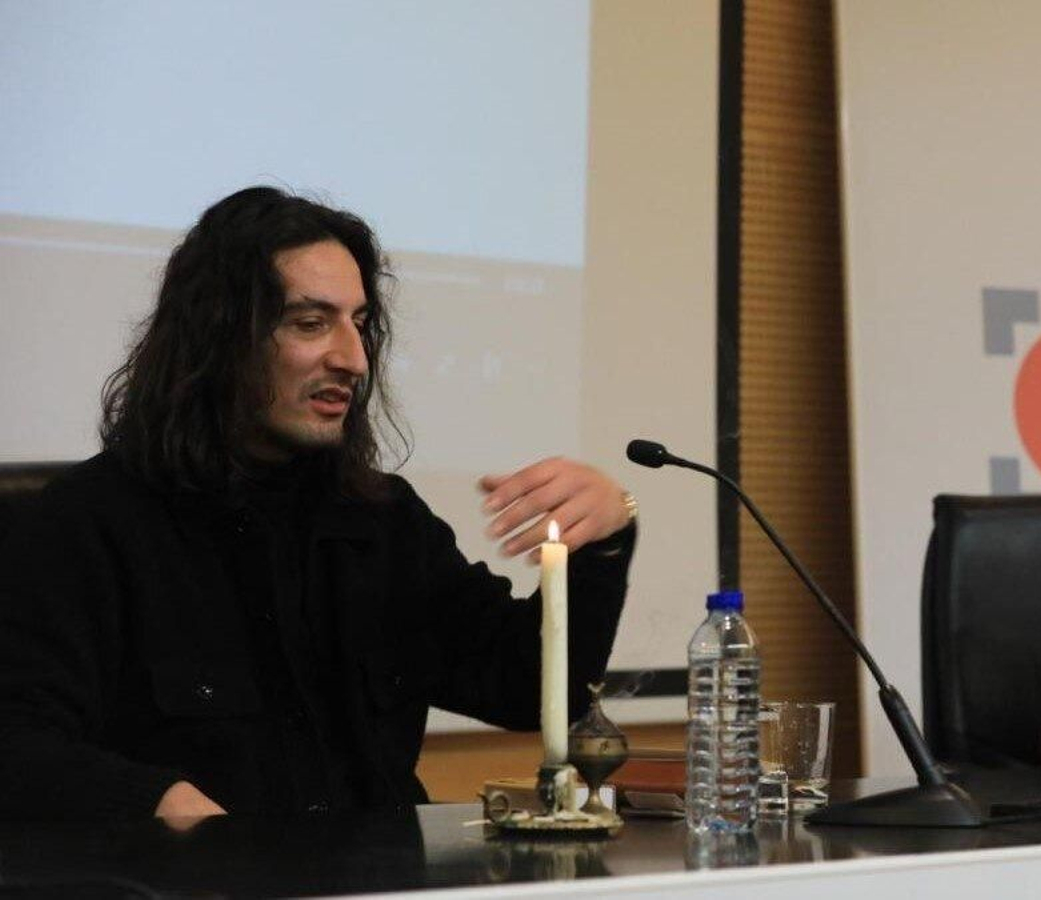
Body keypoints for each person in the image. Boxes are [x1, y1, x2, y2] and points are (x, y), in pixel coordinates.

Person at [0, 187, 637, 819]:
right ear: (217, 338)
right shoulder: (83, 526)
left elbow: (526, 687)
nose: (353, 359)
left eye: (359, 324)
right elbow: (21, 743)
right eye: (311, 323)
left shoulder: (381, 521)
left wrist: (602, 539)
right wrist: (155, 801)